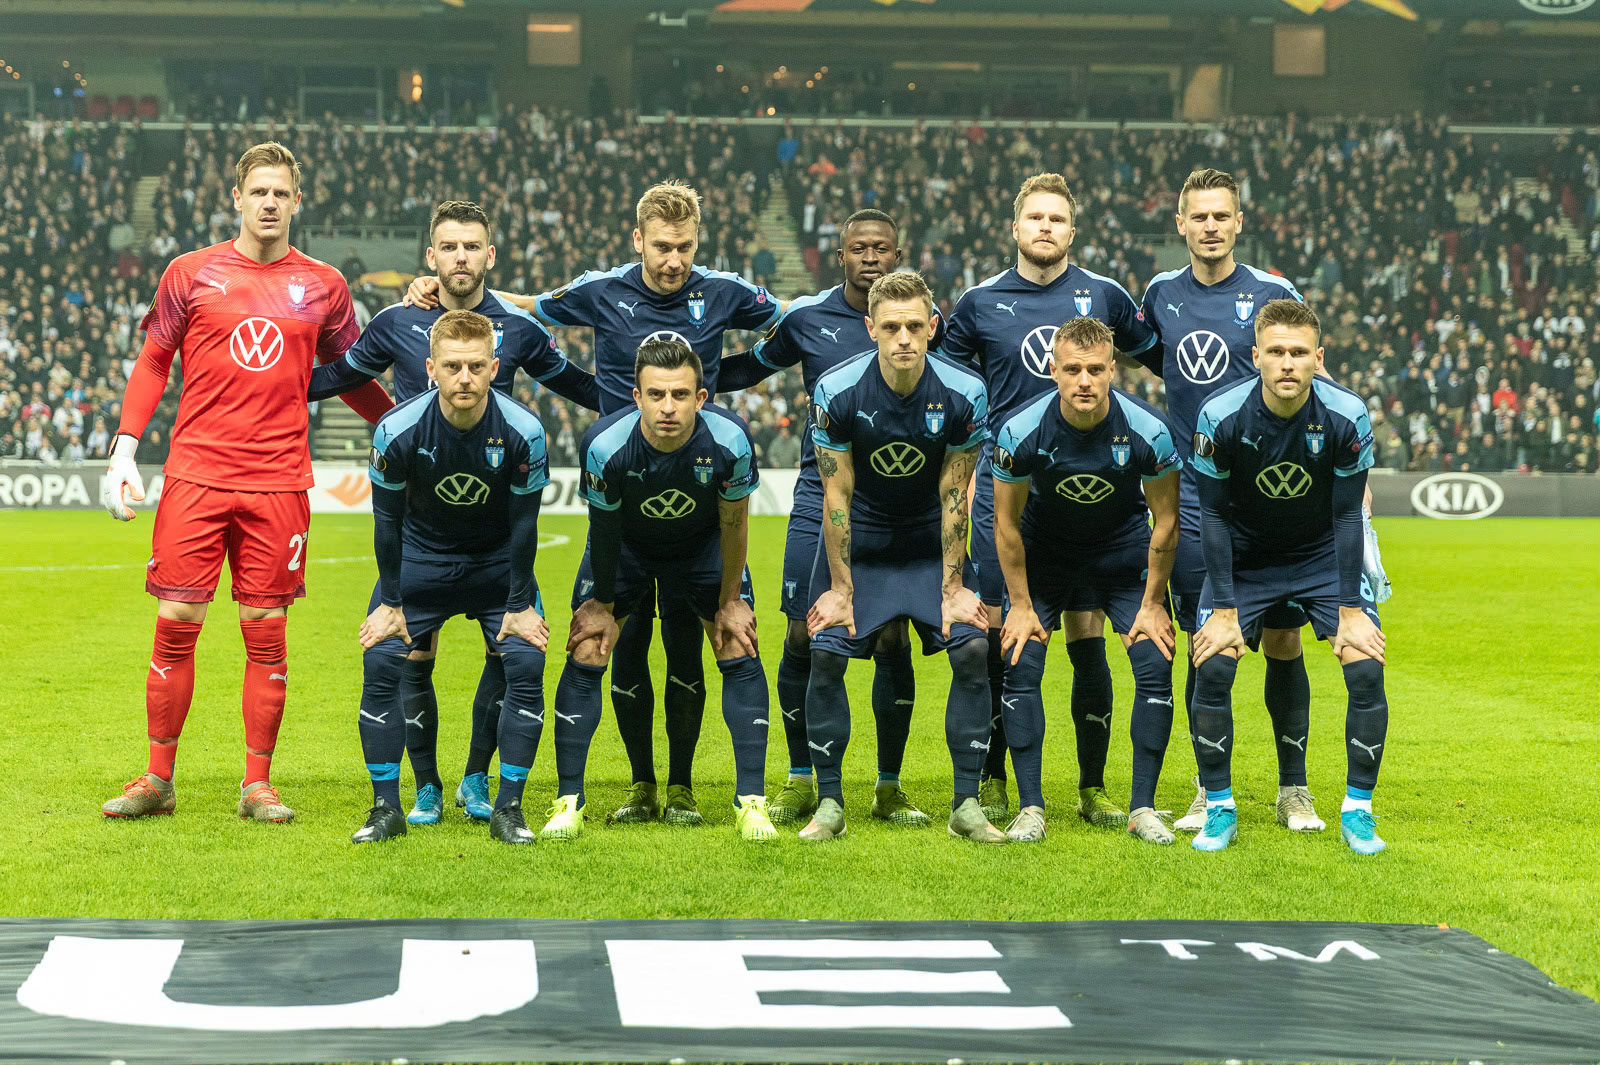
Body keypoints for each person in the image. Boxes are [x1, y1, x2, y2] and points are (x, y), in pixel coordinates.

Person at [406, 181, 782, 828]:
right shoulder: (602, 289)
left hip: (697, 491)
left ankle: (685, 788)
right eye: (661, 247)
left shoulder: (722, 291)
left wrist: (729, 380)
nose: (673, 260)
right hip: (624, 494)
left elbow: (791, 322)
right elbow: (533, 306)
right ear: (637, 241)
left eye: (684, 247)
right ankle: (638, 786)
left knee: (696, 646)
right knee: (617, 643)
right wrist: (441, 291)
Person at [99, 141, 393, 823]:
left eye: (280, 192)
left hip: (277, 481)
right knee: (176, 621)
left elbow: (353, 375)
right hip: (196, 473)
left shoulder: (323, 284)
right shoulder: (189, 273)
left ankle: (256, 783)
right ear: (237, 197)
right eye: (257, 191)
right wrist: (123, 449)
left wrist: (401, 428)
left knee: (266, 629)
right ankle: (156, 776)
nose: (268, 202)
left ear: (296, 200)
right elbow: (152, 362)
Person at [311, 200, 598, 828]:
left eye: (473, 246)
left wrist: (660, 399)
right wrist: (252, 377)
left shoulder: (516, 329)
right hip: (419, 533)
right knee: (411, 656)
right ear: (432, 256)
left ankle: (476, 778)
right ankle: (424, 788)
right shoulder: (396, 322)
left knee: (510, 655)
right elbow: (333, 377)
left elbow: (576, 384)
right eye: (450, 247)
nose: (461, 257)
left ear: (489, 256)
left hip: (495, 529)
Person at [1137, 167, 1386, 834]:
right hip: (1202, 490)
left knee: (1282, 639)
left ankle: (1293, 788)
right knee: (1206, 635)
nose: (1212, 226)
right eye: (1200, 216)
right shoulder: (1160, 294)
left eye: (1223, 215)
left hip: (1282, 491)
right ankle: (1204, 787)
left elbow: (1312, 372)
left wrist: (1348, 477)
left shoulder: (1273, 290)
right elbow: (1132, 360)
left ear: (1239, 222)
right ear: (1182, 225)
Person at [941, 172, 1159, 827]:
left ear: (1072, 230)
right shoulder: (979, 303)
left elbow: (1164, 361)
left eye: (1056, 219)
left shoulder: (1108, 297)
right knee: (1014, 634)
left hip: (1094, 495)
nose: (1045, 228)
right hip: (1009, 496)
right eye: (1034, 217)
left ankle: (1092, 788)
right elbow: (950, 387)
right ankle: (996, 777)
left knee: (1087, 634)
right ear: (1015, 227)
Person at [717, 209, 938, 828]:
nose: (871, 257)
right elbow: (745, 370)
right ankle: (799, 777)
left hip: (898, 502)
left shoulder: (918, 323)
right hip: (822, 496)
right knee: (800, 632)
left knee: (892, 634)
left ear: (897, 256)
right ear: (839, 256)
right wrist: (685, 370)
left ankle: (888, 787)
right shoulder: (807, 319)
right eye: (859, 249)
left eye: (883, 249)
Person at [548, 339, 774, 843]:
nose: (667, 407)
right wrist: (603, 605)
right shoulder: (604, 444)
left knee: (737, 641)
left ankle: (751, 803)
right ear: (636, 396)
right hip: (627, 549)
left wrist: (731, 601)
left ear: (701, 397)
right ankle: (570, 801)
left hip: (701, 550)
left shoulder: (730, 439)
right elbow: (603, 531)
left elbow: (735, 524)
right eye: (656, 395)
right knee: (589, 645)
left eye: (679, 395)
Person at [800, 272, 999, 844]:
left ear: (933, 327)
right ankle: (831, 802)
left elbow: (955, 494)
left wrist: (953, 585)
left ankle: (967, 804)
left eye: (915, 326)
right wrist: (840, 589)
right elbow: (835, 496)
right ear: (871, 330)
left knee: (973, 647)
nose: (904, 338)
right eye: (891, 327)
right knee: (827, 652)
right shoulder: (836, 392)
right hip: (860, 541)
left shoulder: (965, 391)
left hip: (927, 541)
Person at [1187, 299, 1389, 855]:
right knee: (1212, 665)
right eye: (1275, 352)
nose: (1287, 364)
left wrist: (1351, 610)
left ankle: (1359, 810)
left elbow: (1349, 515)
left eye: (1299, 353)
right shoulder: (1219, 415)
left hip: (1320, 556)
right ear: (1256, 357)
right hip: (1245, 560)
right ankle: (1220, 807)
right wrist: (1225, 609)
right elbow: (1214, 515)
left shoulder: (1347, 414)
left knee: (1366, 667)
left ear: (1317, 357)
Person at [350, 311, 551, 845]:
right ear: (430, 368)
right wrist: (390, 601)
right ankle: (387, 808)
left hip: (496, 564)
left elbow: (524, 525)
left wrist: (519, 602)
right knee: (380, 660)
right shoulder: (397, 430)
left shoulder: (524, 431)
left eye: (476, 366)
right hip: (420, 563)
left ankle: (508, 809)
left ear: (495, 367)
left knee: (527, 661)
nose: (465, 377)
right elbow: (386, 522)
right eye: (454, 366)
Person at [991, 317, 1181, 844]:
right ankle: (1031, 807)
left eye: (1095, 369)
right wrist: (1022, 604)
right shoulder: (1019, 430)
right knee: (1020, 659)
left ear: (1113, 370)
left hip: (1119, 556)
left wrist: (1152, 603)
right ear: (1052, 370)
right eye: (1072, 369)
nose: (1084, 381)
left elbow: (1166, 520)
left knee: (1153, 659)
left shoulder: (1149, 430)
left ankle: (1142, 808)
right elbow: (1005, 524)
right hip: (1045, 556)